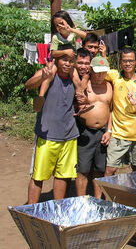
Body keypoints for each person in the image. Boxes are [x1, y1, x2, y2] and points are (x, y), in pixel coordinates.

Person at [27, 53, 79, 204]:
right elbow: (28, 85)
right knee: (38, 176)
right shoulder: (48, 73)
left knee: (63, 175)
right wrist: (42, 77)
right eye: (64, 60)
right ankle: (31, 211)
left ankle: (58, 208)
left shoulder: (73, 78)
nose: (68, 64)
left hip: (69, 135)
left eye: (70, 61)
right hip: (47, 135)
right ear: (57, 60)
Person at [104, 48, 136, 176]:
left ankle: (134, 196)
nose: (127, 64)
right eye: (124, 61)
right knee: (110, 170)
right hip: (118, 133)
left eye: (130, 61)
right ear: (120, 62)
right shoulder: (115, 76)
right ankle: (107, 196)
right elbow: (98, 69)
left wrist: (135, 103)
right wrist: (103, 53)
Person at [34, 11, 87, 112]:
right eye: (57, 25)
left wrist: (71, 29)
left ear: (68, 21)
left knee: (76, 79)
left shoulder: (73, 34)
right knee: (50, 73)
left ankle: (81, 103)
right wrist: (65, 51)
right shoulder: (56, 37)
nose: (60, 27)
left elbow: (85, 36)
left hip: (71, 63)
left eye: (62, 23)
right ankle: (40, 97)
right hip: (58, 63)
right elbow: (53, 53)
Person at [75, 56, 113, 199]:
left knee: (99, 169)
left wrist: (109, 130)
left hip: (103, 132)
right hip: (86, 132)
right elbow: (77, 100)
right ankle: (81, 202)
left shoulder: (110, 86)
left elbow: (111, 110)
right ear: (91, 70)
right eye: (97, 72)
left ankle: (97, 201)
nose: (100, 75)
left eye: (103, 72)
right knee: (83, 170)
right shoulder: (84, 85)